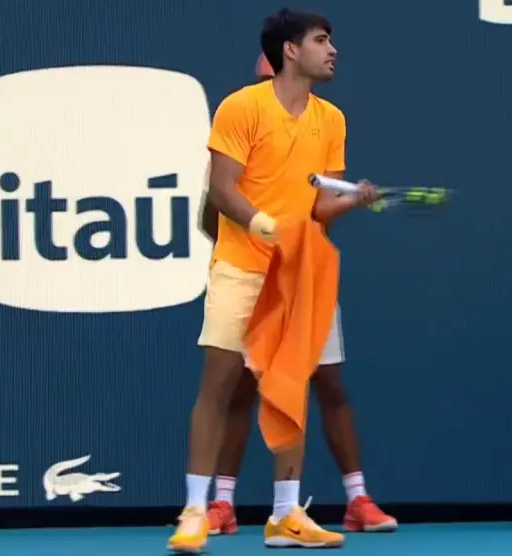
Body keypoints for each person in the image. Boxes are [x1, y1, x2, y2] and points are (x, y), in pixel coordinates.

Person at [167, 8, 380, 553]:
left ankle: (286, 515)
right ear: (290, 50)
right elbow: (222, 189)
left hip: (300, 273)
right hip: (242, 267)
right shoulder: (242, 107)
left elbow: (319, 206)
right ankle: (195, 510)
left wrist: (353, 199)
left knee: (290, 389)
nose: (332, 50)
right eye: (321, 40)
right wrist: (263, 225)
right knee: (218, 386)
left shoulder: (332, 120)